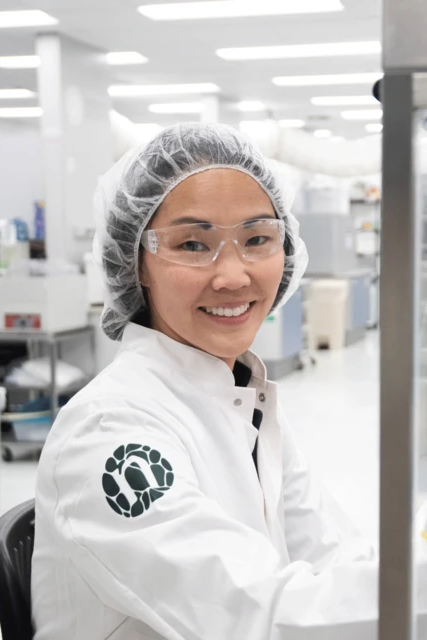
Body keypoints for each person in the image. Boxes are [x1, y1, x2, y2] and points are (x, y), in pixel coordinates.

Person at [31, 123, 422, 639]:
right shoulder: (110, 435)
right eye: (193, 244)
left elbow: (333, 553)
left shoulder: (242, 399)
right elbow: (255, 616)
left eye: (258, 238)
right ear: (136, 263)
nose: (233, 275)